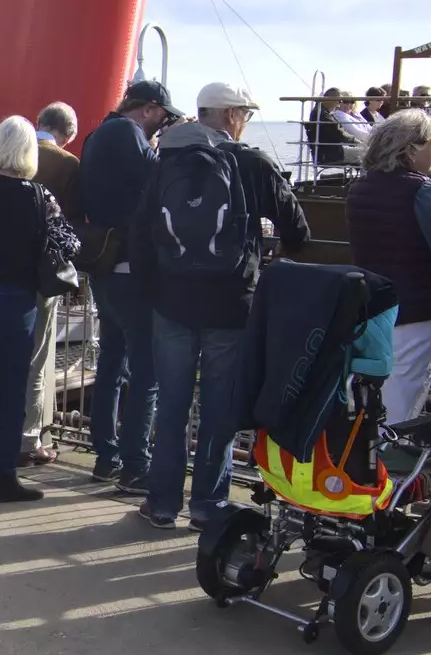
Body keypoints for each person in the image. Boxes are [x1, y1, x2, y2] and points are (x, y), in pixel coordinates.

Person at [130, 82, 309, 530]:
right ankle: (208, 506)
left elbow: (140, 236)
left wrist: (155, 292)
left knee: (171, 406)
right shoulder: (250, 162)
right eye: (244, 114)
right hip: (231, 306)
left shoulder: (163, 160)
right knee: (218, 411)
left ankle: (162, 502)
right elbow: (298, 229)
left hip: (171, 305)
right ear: (232, 117)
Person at [0, 116, 77, 504]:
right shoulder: (38, 196)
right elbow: (68, 242)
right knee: (12, 388)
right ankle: (6, 474)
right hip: (14, 297)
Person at [78, 80, 180, 489]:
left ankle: (107, 455)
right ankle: (137, 465)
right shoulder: (128, 133)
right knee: (145, 373)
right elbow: (158, 182)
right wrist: (170, 147)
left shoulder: (96, 134)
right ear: (150, 109)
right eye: (164, 118)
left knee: (111, 365)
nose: (163, 125)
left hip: (103, 264)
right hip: (130, 268)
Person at [347, 109, 431, 423]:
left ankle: (354, 469)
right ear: (410, 148)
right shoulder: (425, 192)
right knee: (400, 412)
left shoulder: (360, 190)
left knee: (363, 407)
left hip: (371, 312)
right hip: (415, 313)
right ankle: (392, 471)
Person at [0, 102, 80, 466]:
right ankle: (29, 439)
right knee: (35, 363)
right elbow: (70, 237)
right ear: (68, 134)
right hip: (38, 280)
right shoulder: (67, 167)